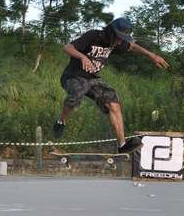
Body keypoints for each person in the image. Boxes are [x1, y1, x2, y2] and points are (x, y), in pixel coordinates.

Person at [53, 17, 169, 153]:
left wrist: (152, 56)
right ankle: (61, 121)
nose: (119, 42)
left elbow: (132, 46)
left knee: (113, 101)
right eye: (118, 38)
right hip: (72, 76)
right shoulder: (93, 35)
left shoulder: (117, 43)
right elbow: (67, 47)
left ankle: (122, 145)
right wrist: (83, 57)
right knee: (79, 90)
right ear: (110, 32)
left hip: (93, 79)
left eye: (122, 39)